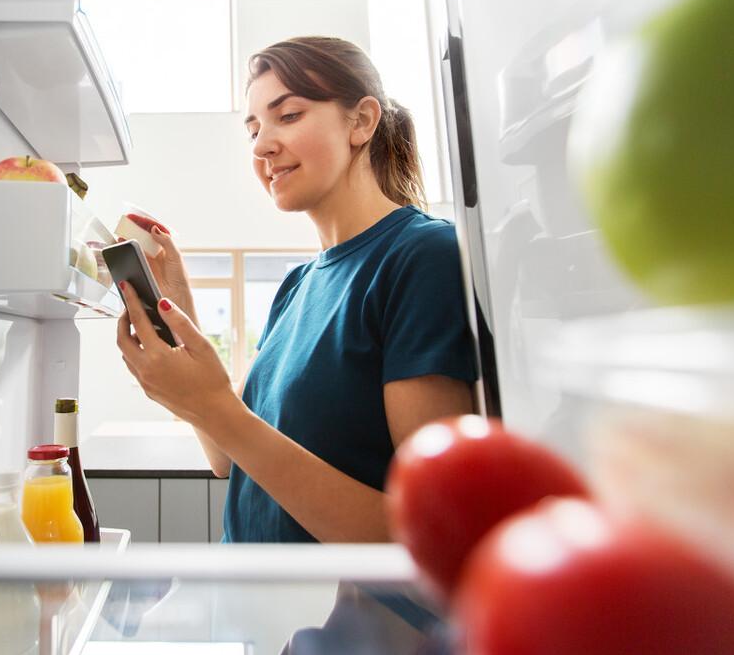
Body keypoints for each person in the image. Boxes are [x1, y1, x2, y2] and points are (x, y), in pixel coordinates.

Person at [115, 36, 478, 543]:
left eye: (288, 116)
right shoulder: (297, 285)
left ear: (362, 121)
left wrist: (215, 406)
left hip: (338, 619)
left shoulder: (422, 258)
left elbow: (429, 534)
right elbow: (227, 456)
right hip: (252, 610)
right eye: (253, 128)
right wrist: (177, 315)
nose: (262, 144)